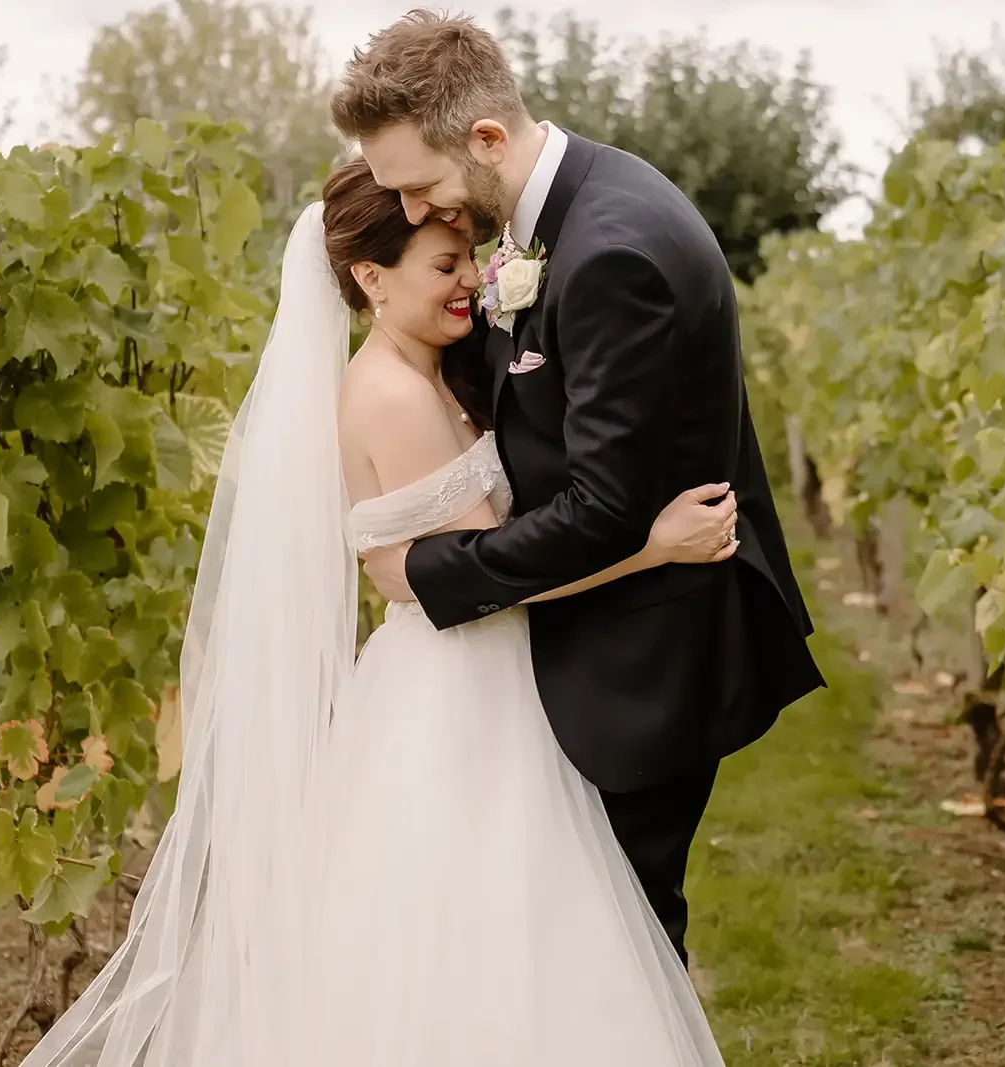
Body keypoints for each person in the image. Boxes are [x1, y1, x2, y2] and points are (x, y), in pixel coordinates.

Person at [13, 166, 735, 1064]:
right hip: (463, 688)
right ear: (370, 279)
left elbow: (431, 563)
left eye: (470, 255)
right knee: (480, 933)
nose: (469, 278)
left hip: (469, 672)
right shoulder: (391, 394)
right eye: (444, 263)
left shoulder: (430, 370)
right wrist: (650, 545)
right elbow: (492, 574)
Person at [336, 9, 825, 966]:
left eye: (422, 186)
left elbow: (603, 508)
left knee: (612, 961)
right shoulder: (570, 210)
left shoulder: (608, 252)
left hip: (641, 662)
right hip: (603, 640)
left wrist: (427, 569)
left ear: (484, 139)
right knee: (571, 952)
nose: (418, 213)